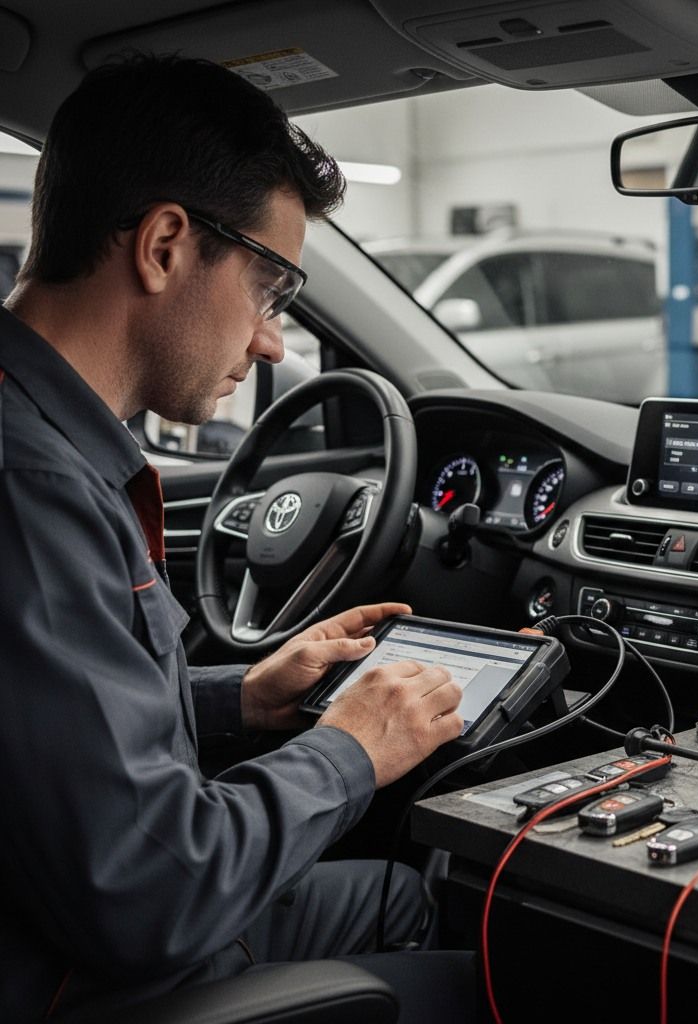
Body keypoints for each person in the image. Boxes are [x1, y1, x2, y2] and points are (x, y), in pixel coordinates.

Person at [0, 54, 477, 1022]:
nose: (272, 341)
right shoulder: (34, 488)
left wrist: (236, 700)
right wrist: (354, 746)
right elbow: (147, 893)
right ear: (166, 245)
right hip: (72, 979)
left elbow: (40, 728)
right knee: (493, 958)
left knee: (391, 894)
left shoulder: (35, 439)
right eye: (271, 286)